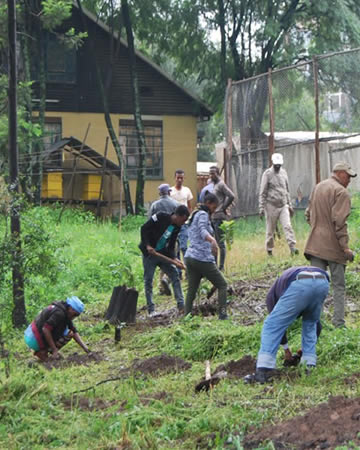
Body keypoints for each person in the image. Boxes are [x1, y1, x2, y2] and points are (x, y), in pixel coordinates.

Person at [245, 267, 329, 383]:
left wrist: (286, 349)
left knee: (271, 325)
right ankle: (309, 365)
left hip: (300, 282)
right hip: (322, 281)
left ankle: (264, 371)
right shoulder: (282, 288)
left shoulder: (271, 296)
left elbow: (277, 326)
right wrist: (302, 351)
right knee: (310, 324)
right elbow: (317, 324)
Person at [304, 161, 356, 328]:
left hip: (314, 245)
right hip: (333, 248)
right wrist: (345, 247)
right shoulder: (341, 192)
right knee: (339, 287)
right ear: (340, 173)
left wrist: (317, 229)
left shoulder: (319, 187)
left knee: (316, 287)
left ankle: (314, 323)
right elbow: (339, 222)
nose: (349, 180)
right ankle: (339, 324)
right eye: (348, 176)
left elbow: (308, 214)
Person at [139, 205, 190, 315]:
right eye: (184, 220)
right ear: (178, 216)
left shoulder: (177, 227)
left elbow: (171, 246)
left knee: (175, 275)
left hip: (162, 254)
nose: (184, 222)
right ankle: (151, 309)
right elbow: (144, 228)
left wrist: (175, 259)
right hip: (149, 254)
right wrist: (147, 245)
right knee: (148, 280)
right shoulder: (160, 216)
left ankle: (181, 306)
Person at [184, 193, 228, 320]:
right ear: (208, 203)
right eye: (214, 207)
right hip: (201, 258)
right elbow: (203, 231)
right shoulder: (203, 214)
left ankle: (186, 317)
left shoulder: (194, 214)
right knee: (222, 285)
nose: (214, 211)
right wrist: (212, 240)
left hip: (190, 257)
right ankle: (223, 315)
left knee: (192, 290)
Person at [24, 296, 90, 361]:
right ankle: (43, 352)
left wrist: (86, 349)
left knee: (69, 333)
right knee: (66, 333)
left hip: (31, 335)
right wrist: (54, 349)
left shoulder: (64, 311)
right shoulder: (59, 314)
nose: (74, 317)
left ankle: (46, 350)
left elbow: (74, 331)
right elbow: (45, 329)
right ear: (70, 308)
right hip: (34, 338)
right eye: (75, 314)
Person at [259, 153, 298, 257]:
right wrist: (261, 208)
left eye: (279, 165)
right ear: (273, 163)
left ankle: (292, 247)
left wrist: (290, 205)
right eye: (276, 165)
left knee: (287, 226)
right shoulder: (267, 174)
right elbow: (263, 192)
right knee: (270, 230)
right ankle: (269, 250)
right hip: (271, 205)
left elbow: (287, 190)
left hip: (283, 205)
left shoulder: (284, 173)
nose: (277, 166)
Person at [149, 183, 179, 296]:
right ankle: (166, 279)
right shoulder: (175, 204)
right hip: (171, 237)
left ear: (159, 193)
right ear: (169, 192)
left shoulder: (154, 205)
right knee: (172, 260)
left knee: (161, 262)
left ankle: (162, 288)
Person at [209, 166, 235, 271]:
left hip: (219, 217)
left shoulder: (221, 184)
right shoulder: (214, 185)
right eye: (210, 173)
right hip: (213, 217)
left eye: (213, 173)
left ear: (218, 173)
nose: (211, 175)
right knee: (214, 242)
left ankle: (221, 267)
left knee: (220, 243)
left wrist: (223, 207)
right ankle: (215, 266)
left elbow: (231, 196)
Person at [170, 169, 193, 267]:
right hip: (174, 223)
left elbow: (189, 206)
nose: (179, 180)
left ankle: (188, 270)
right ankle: (178, 271)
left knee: (184, 246)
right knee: (176, 248)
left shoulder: (187, 190)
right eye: (178, 178)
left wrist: (190, 219)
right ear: (174, 178)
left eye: (181, 178)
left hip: (184, 223)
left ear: (184, 179)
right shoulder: (170, 191)